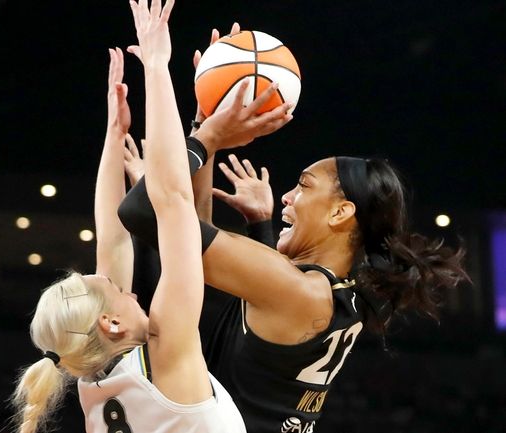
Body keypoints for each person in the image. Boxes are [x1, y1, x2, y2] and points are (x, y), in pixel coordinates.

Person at [117, 42, 469, 433]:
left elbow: (143, 212)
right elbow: (187, 245)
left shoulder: (296, 290)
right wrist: (205, 125)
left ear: (341, 212)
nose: (287, 195)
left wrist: (210, 138)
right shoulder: (336, 290)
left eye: (304, 186)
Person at [11, 2, 253, 432]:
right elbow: (173, 198)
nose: (132, 291)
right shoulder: (167, 355)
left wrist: (114, 132)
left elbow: (114, 240)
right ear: (112, 322)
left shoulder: (93, 379)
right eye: (114, 289)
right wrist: (157, 68)